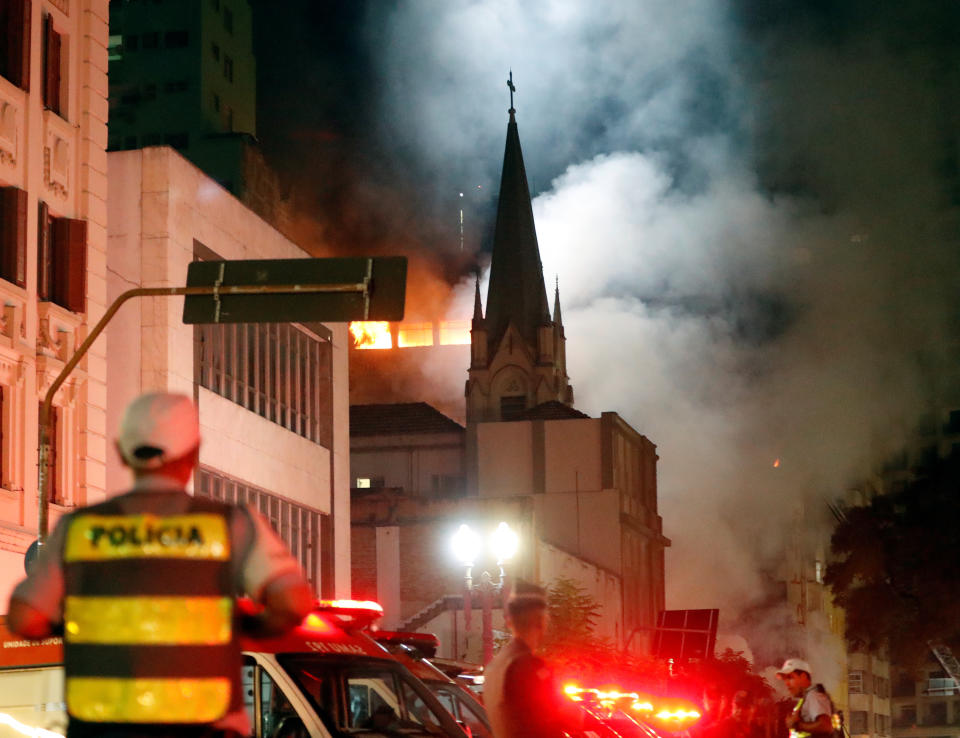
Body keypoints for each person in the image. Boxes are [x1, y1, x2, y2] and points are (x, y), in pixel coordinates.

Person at [6, 391, 314, 738]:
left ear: (123, 451)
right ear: (194, 452)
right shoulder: (232, 524)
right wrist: (244, 626)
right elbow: (293, 603)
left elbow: (25, 618)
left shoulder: (79, 528)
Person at [482, 581, 578, 738]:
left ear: (509, 621)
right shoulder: (529, 665)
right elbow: (564, 715)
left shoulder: (495, 665)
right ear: (541, 621)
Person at [776, 658, 835, 738]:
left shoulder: (813, 696)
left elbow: (826, 726)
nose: (786, 683)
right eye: (785, 679)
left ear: (803, 677)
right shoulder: (805, 699)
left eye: (790, 677)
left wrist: (797, 725)